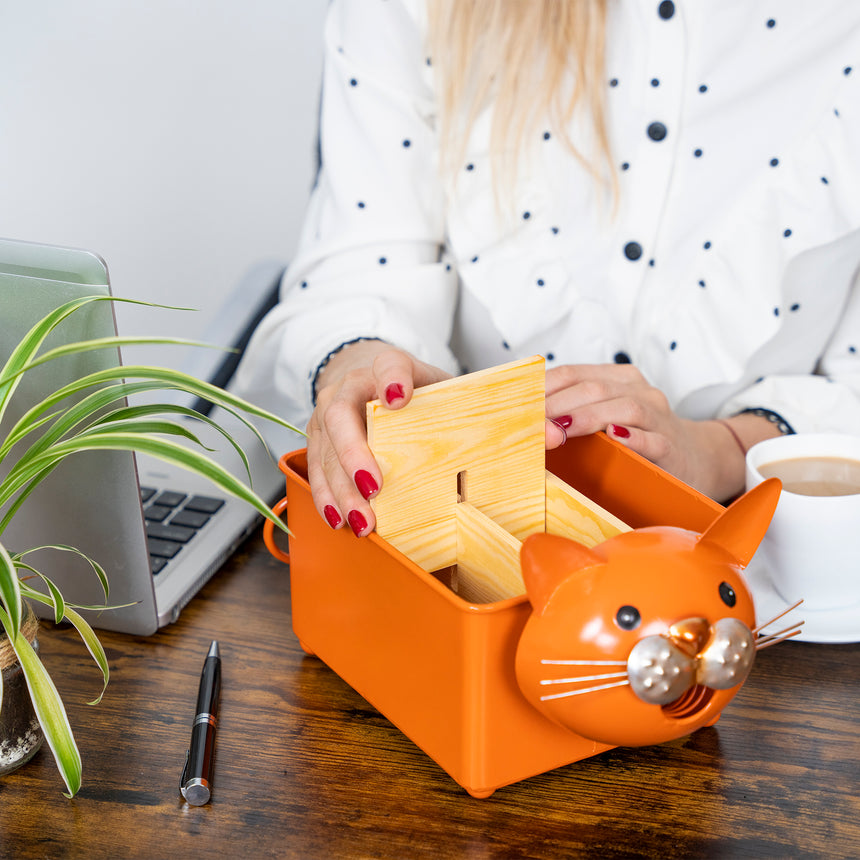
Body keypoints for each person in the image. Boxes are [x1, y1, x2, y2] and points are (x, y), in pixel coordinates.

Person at [235, 0, 860, 537]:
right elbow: (361, 265)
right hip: (443, 539)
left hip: (764, 559)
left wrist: (717, 452)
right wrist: (364, 372)